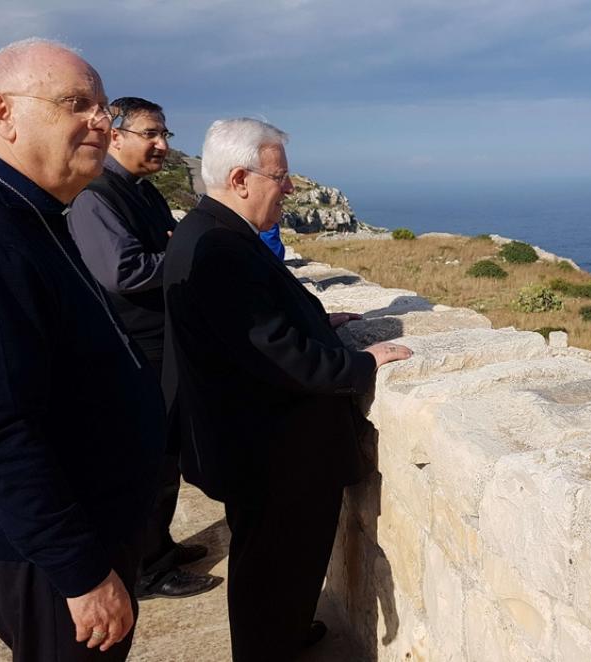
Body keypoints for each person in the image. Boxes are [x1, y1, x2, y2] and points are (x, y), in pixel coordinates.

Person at [163, 117, 412, 661]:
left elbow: (250, 325)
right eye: (281, 177)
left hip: (249, 442)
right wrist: (362, 361)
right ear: (241, 179)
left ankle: (285, 633)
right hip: (272, 452)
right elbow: (278, 353)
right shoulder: (222, 249)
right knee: (274, 564)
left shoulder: (207, 232)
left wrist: (322, 323)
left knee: (269, 563)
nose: (291, 188)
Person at [0, 39, 165, 660]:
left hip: (87, 528)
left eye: (103, 107)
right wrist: (79, 571)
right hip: (54, 556)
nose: (101, 121)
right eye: (77, 103)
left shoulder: (34, 213)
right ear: (3, 112)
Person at [68, 97, 218, 600]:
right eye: (152, 133)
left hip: (159, 345)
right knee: (148, 461)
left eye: (165, 134)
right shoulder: (97, 196)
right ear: (116, 136)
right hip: (133, 351)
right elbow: (123, 272)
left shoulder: (142, 193)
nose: (163, 144)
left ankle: (160, 546)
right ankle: (147, 569)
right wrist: (180, 255)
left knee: (164, 456)